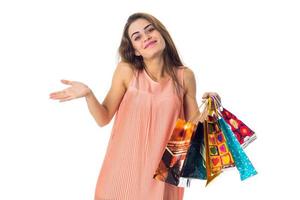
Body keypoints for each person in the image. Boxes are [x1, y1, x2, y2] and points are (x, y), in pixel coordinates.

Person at [49, 12, 221, 200]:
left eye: (150, 30)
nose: (146, 37)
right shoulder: (127, 71)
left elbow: (192, 128)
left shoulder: (185, 76)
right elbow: (103, 118)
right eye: (137, 37)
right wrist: (89, 95)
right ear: (136, 50)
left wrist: (211, 108)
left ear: (162, 34)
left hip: (162, 177)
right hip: (122, 173)